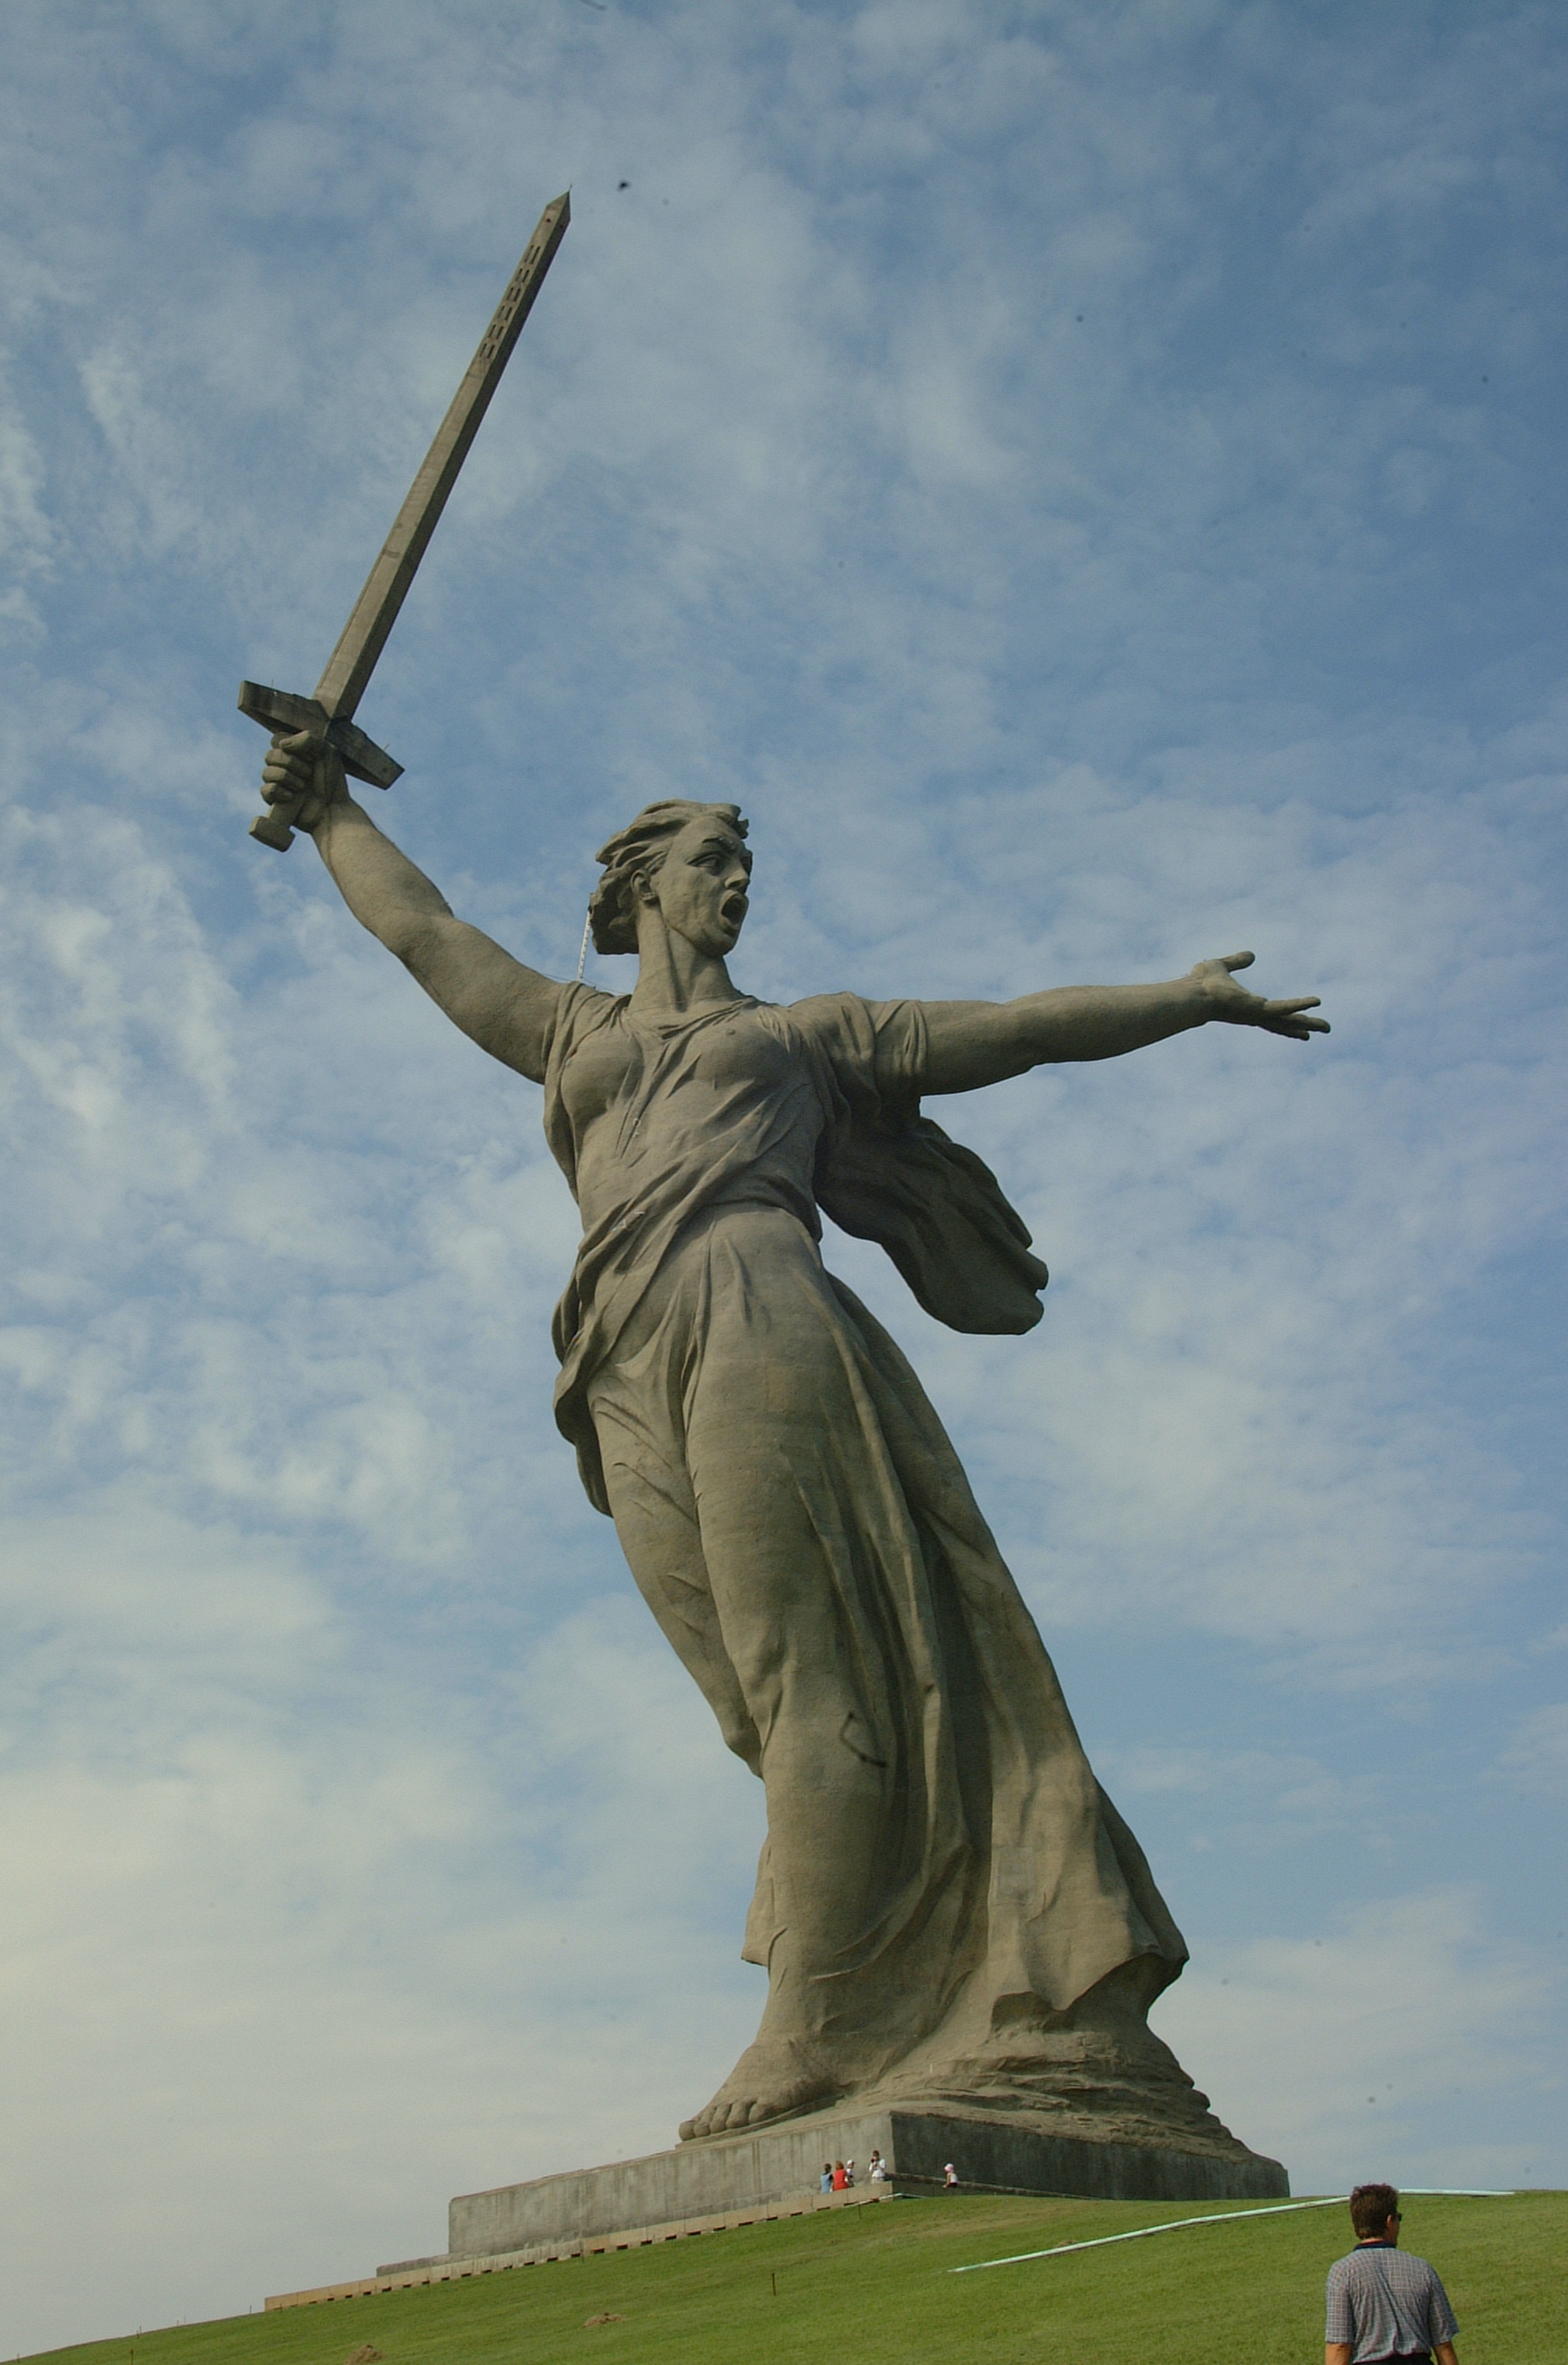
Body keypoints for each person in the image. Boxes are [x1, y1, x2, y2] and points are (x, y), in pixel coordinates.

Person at [258, 742, 1328, 2142]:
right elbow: (425, 932)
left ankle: (810, 2032)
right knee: (750, 1707)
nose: (739, 882)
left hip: (756, 1304)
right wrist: (330, 810)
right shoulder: (571, 1032)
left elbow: (1014, 1030)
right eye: (714, 859)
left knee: (804, 1670)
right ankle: (896, 1972)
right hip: (615, 1355)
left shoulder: (803, 1036)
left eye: (745, 864)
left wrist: (1182, 1001)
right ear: (643, 884)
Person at [1325, 2186, 1459, 2365]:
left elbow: (1340, 2345)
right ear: (1389, 2221)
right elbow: (1444, 2345)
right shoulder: (1423, 2269)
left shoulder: (1342, 2272)